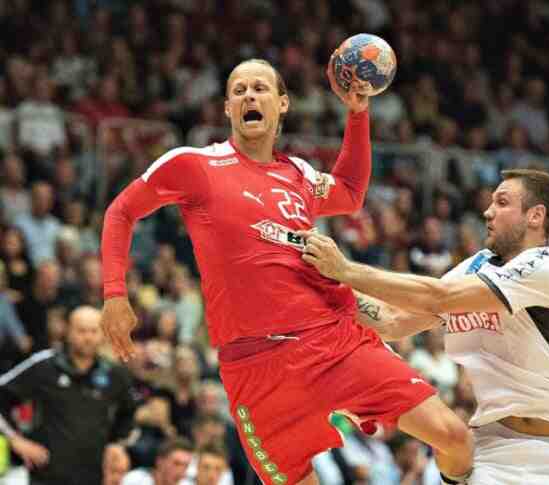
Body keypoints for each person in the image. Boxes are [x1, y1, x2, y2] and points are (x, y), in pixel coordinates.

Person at [100, 57, 474, 485]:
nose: (249, 96)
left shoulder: (298, 174)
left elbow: (350, 193)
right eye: (238, 91)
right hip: (255, 367)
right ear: (227, 109)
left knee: (454, 436)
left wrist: (357, 113)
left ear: (282, 104)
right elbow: (121, 212)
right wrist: (114, 294)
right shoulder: (195, 164)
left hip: (331, 342)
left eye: (259, 88)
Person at [300, 169, 549, 484]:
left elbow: (440, 296)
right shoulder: (478, 265)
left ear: (535, 216)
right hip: (493, 451)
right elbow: (392, 321)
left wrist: (346, 270)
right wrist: (317, 286)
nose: (488, 211)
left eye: (502, 203)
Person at [0, 306, 137, 485]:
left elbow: (128, 412)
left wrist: (117, 444)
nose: (88, 337)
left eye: (94, 331)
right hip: (47, 475)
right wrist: (16, 441)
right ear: (68, 332)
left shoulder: (115, 374)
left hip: (93, 476)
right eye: (81, 331)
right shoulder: (45, 366)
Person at [121, 437, 194, 485]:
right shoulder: (135, 479)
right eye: (176, 464)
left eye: (186, 466)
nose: (181, 471)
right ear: (160, 462)